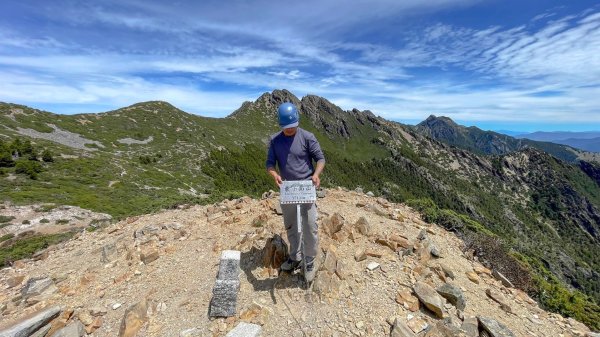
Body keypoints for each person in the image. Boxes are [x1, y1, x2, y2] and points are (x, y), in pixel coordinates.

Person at [266, 102, 325, 282]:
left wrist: (316, 174)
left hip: (306, 187)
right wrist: (275, 174)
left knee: (310, 224)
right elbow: (269, 163)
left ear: (297, 122)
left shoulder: (307, 137)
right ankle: (295, 256)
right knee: (291, 224)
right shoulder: (275, 140)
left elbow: (320, 159)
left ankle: (309, 259)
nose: (290, 130)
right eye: (286, 128)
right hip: (288, 189)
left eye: (292, 127)